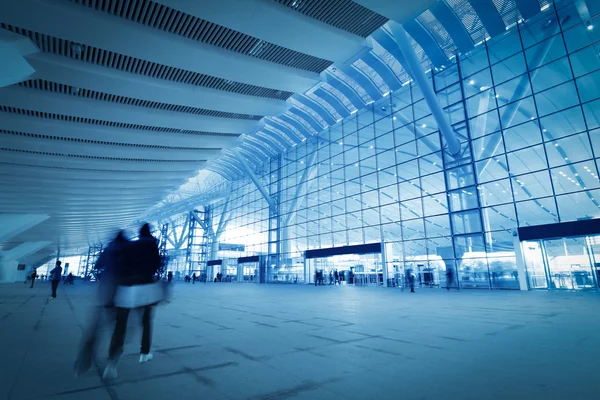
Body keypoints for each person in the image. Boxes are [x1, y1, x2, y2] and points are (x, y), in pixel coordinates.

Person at [104, 223, 162, 380]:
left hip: (126, 288)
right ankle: (144, 353)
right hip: (145, 288)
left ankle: (111, 363)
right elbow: (157, 264)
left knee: (120, 326)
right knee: (146, 321)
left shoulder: (132, 245)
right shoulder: (152, 244)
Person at [74, 231, 128, 377]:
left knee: (96, 326)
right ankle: (111, 364)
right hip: (123, 291)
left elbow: (98, 265)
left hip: (106, 289)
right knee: (119, 328)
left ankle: (84, 361)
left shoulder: (110, 248)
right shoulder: (129, 249)